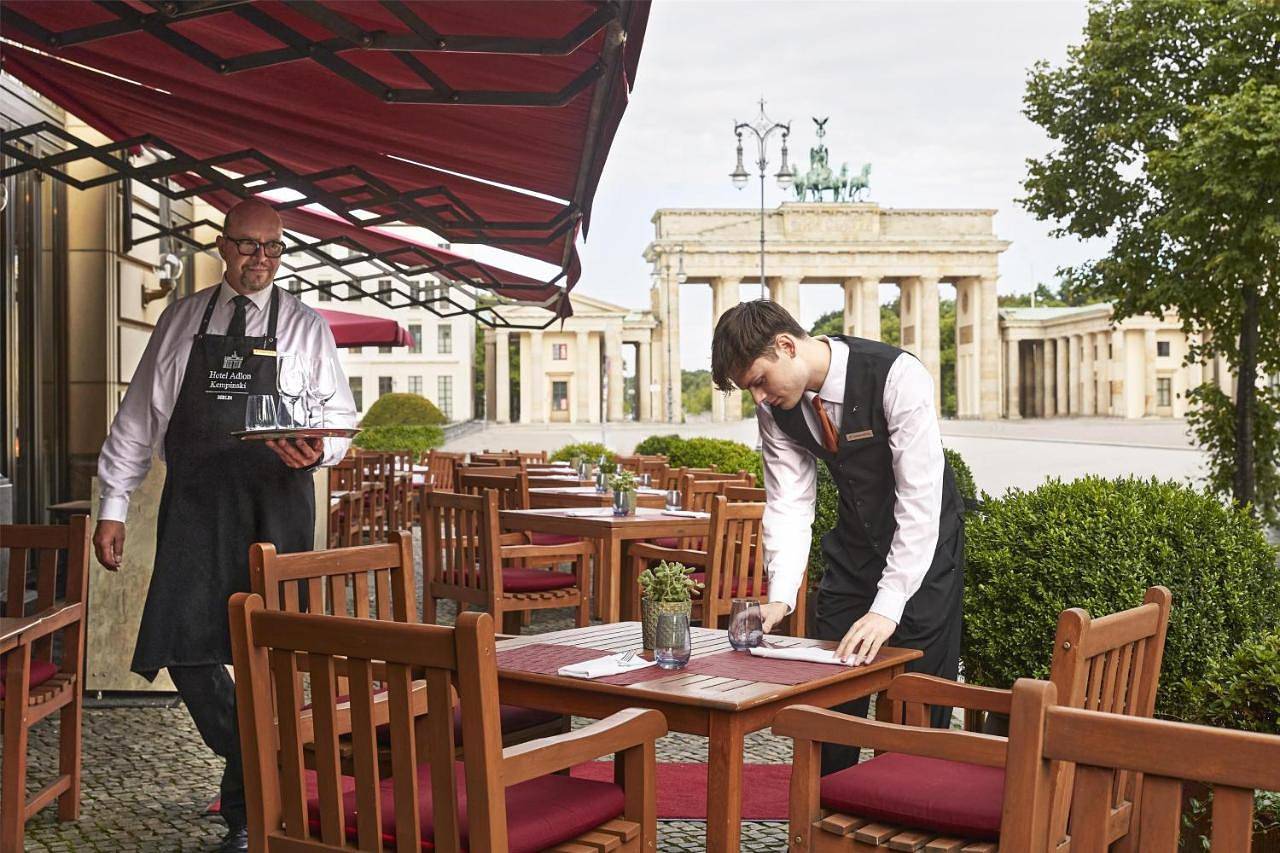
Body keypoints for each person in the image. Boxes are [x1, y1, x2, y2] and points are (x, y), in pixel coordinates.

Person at [92, 199, 356, 852]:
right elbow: (135, 422)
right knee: (182, 645)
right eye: (247, 245)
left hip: (277, 506)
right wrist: (113, 506)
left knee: (266, 655)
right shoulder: (182, 319)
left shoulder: (305, 324)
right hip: (194, 505)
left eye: (272, 247)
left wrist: (321, 449)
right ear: (221, 245)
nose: (259, 259)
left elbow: (340, 418)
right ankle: (266, 772)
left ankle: (246, 814)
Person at [711, 300, 965, 774]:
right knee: (827, 700)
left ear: (786, 346)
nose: (759, 399)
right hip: (852, 550)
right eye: (750, 390)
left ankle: (909, 822)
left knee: (918, 708)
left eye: (760, 381)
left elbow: (919, 502)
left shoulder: (896, 375)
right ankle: (826, 823)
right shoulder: (776, 410)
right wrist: (780, 598)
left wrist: (887, 607)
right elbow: (789, 501)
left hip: (926, 553)